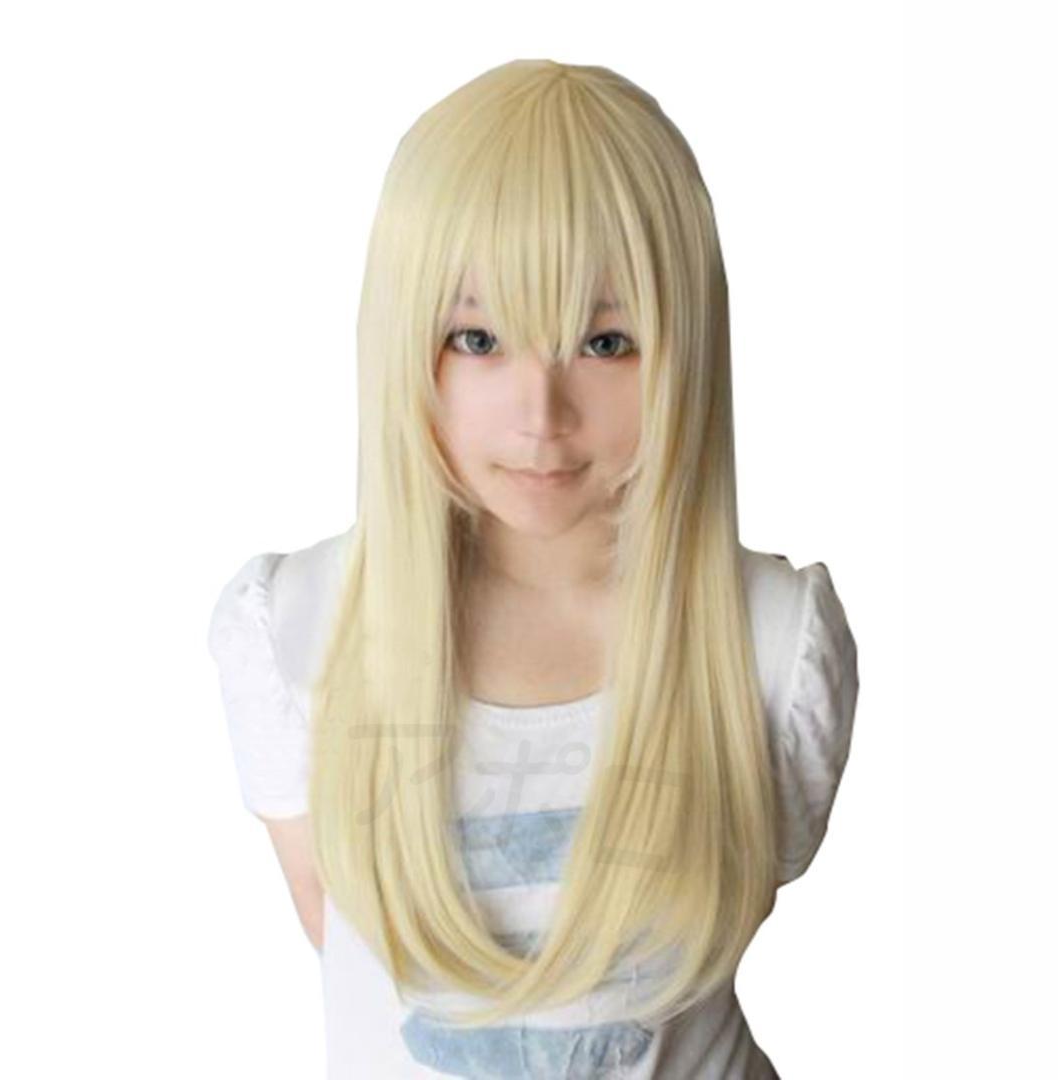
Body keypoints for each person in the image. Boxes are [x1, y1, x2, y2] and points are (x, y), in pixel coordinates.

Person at [207, 58, 860, 1080]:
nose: (540, 415)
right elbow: (340, 942)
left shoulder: (775, 642)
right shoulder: (295, 628)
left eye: (606, 342)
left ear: (685, 346)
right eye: (479, 339)